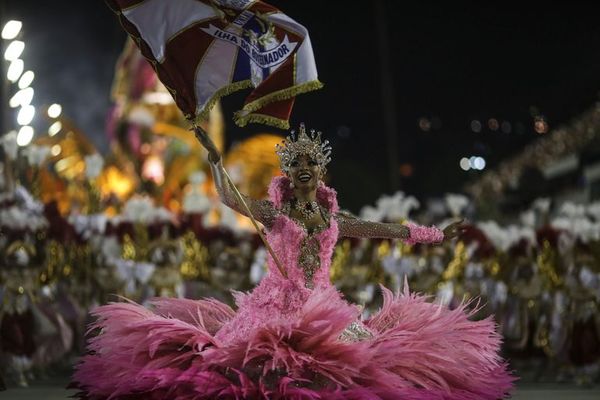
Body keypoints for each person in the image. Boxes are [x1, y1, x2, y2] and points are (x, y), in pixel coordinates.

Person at [72, 124, 514, 399]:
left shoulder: (336, 218)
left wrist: (437, 233)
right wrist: (214, 161)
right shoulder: (273, 213)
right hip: (273, 304)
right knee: (255, 374)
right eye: (296, 162)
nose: (304, 168)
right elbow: (229, 198)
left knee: (351, 370)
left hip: (323, 307)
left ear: (320, 171)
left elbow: (388, 229)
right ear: (288, 171)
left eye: (311, 163)